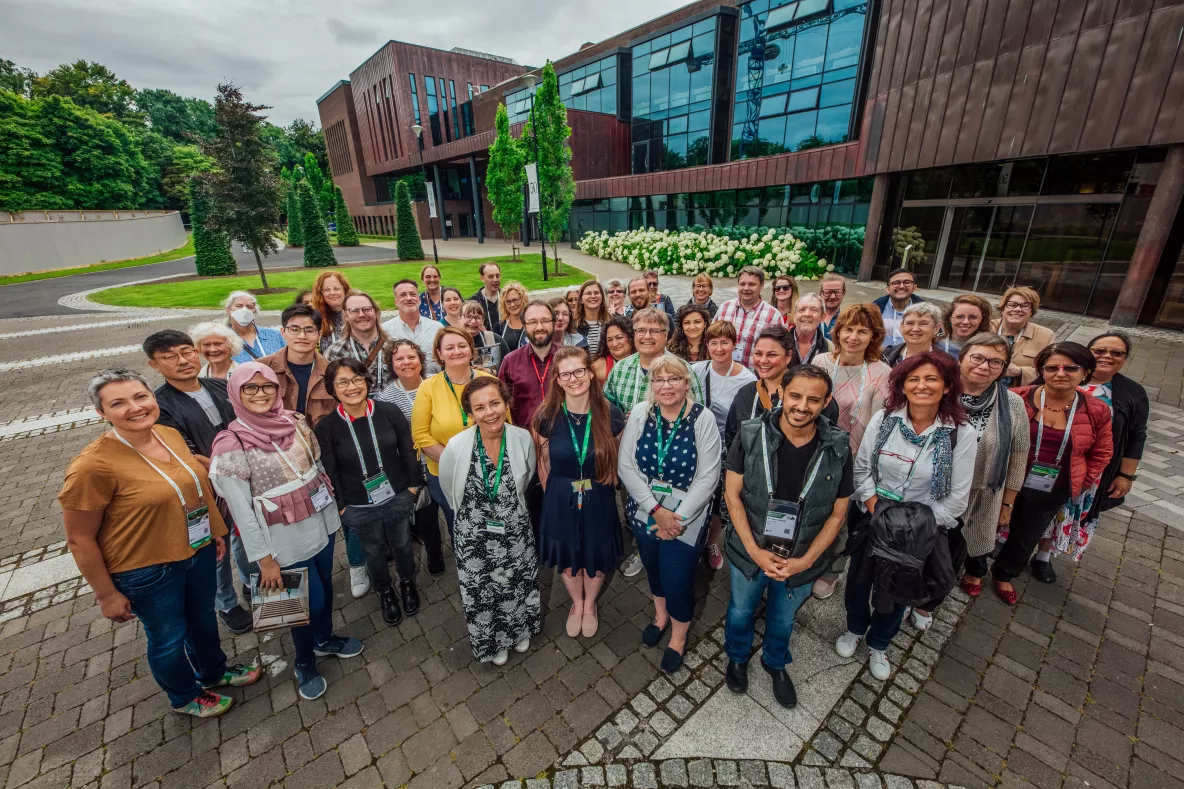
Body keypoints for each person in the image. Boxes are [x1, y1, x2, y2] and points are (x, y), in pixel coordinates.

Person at [62, 369, 262, 718]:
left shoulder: (167, 434)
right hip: (146, 568)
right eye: (118, 403)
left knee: (202, 620)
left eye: (140, 397)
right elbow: (79, 539)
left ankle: (214, 673)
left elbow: (195, 490)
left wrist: (215, 531)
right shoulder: (92, 466)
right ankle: (184, 696)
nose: (135, 408)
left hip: (196, 551)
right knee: (169, 637)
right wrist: (107, 594)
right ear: (101, 413)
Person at [208, 363, 362, 701]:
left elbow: (316, 463)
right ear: (237, 393)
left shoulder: (294, 421)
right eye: (251, 388)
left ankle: (325, 640)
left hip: (318, 522)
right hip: (281, 540)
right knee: (304, 602)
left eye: (268, 387)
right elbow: (242, 515)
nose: (261, 394)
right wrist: (264, 562)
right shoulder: (230, 446)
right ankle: (304, 661)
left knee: (324, 587)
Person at [723, 365, 854, 707]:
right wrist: (754, 551)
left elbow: (838, 513)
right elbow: (732, 495)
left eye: (814, 399)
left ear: (826, 403)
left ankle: (774, 661)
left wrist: (804, 562)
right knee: (740, 610)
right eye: (795, 395)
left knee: (783, 617)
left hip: (802, 557)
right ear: (782, 393)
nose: (802, 406)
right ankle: (737, 657)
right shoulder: (751, 434)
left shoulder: (838, 446)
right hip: (749, 550)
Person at [839, 352, 976, 679]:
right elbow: (862, 470)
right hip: (873, 519)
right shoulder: (885, 419)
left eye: (931, 379)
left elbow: (957, 498)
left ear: (946, 386)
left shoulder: (959, 433)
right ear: (902, 384)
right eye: (914, 379)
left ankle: (880, 643)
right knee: (858, 582)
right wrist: (879, 513)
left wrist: (913, 527)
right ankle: (855, 629)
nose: (922, 385)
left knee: (897, 592)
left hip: (919, 532)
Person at [145, 330, 255, 634]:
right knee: (214, 546)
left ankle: (251, 582)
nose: (182, 361)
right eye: (170, 357)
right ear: (154, 364)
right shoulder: (159, 406)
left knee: (247, 534)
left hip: (244, 478)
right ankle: (225, 601)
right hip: (204, 489)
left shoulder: (220, 386)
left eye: (186, 352)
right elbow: (183, 453)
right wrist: (230, 469)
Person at [618, 355, 721, 674]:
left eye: (673, 379)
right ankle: (660, 616)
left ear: (686, 382)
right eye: (658, 380)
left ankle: (678, 636)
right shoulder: (639, 413)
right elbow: (626, 466)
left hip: (685, 516)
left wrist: (674, 518)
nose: (666, 386)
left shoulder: (702, 419)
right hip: (646, 507)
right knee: (653, 568)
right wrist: (655, 510)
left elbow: (709, 477)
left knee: (677, 579)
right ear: (651, 385)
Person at [992, 343, 1112, 602]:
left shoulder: (1096, 410)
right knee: (986, 523)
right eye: (1052, 367)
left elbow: (1102, 452)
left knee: (1027, 534)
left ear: (1086, 372)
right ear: (1041, 370)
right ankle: (974, 570)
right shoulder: (1016, 397)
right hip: (1004, 477)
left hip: (1051, 485)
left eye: (1070, 368)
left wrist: (1077, 481)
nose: (1061, 373)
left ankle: (1004, 574)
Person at [439, 377, 539, 665]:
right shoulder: (457, 447)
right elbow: (449, 487)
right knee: (482, 590)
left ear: (506, 403)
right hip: (474, 534)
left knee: (519, 581)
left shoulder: (521, 438)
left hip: (515, 528)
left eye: (495, 403)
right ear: (470, 413)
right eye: (479, 407)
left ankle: (519, 631)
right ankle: (493, 642)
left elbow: (528, 474)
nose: (490, 412)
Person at [316, 359, 424, 626]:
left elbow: (408, 450)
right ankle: (385, 591)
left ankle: (407, 582)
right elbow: (331, 471)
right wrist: (342, 506)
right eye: (342, 382)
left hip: (398, 493)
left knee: (401, 543)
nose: (352, 387)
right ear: (332, 388)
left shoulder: (389, 411)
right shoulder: (326, 427)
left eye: (356, 379)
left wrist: (412, 487)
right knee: (374, 551)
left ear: (366, 381)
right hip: (359, 505)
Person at [534, 348, 626, 638]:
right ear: (558, 380)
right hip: (561, 495)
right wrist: (553, 494)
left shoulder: (610, 413)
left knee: (596, 555)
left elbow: (618, 457)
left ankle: (591, 604)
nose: (573, 378)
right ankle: (577, 604)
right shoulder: (546, 415)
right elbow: (543, 460)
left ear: (590, 373)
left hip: (598, 493)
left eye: (579, 371)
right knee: (569, 557)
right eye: (566, 374)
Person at [812, 305, 892, 599]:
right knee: (813, 511)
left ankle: (832, 569)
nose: (854, 337)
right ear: (838, 331)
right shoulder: (822, 361)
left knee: (840, 517)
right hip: (816, 451)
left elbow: (880, 424)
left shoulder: (881, 372)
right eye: (848, 329)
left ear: (873, 336)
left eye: (862, 331)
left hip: (853, 458)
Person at [952, 334, 1030, 602]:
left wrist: (1007, 504)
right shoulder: (940, 391)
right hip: (938, 489)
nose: (985, 366)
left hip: (982, 491)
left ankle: (933, 598)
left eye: (995, 361)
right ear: (961, 358)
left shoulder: (1013, 404)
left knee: (966, 545)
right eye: (978, 357)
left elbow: (1019, 454)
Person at [1066, 332, 1148, 560]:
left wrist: (1126, 476)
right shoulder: (1063, 373)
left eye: (1116, 353)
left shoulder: (1133, 393)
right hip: (1049, 459)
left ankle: (1044, 556)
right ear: (1087, 352)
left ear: (1125, 358)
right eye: (1100, 351)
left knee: (1071, 512)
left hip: (1093, 470)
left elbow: (1137, 436)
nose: (1107, 356)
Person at [412, 327, 497, 535]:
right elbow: (421, 434)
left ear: (471, 349)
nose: (456, 351)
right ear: (439, 355)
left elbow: (507, 425)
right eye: (449, 348)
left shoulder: (490, 382)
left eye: (462, 345)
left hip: (490, 471)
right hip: (446, 474)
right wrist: (458, 463)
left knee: (493, 523)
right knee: (461, 527)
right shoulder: (428, 387)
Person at [374, 339, 447, 576]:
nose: (406, 362)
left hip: (442, 462)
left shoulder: (437, 386)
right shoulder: (385, 399)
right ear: (391, 364)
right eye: (399, 358)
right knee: (427, 520)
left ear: (421, 360)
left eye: (411, 357)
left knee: (450, 510)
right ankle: (434, 554)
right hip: (413, 470)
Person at [692, 320, 756, 570]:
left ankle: (711, 541)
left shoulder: (747, 379)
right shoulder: (696, 370)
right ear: (707, 345)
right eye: (714, 342)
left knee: (718, 499)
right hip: (696, 446)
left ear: (734, 344)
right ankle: (692, 538)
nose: (719, 348)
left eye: (724, 342)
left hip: (724, 449)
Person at [605, 307, 705, 415]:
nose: (647, 336)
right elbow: (605, 405)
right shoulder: (620, 368)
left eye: (654, 331)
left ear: (666, 335)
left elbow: (698, 414)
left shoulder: (683, 370)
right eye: (641, 330)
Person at [259, 304, 335, 426]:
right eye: (294, 329)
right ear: (283, 332)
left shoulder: (332, 372)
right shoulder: (261, 369)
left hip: (321, 440)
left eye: (309, 330)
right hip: (275, 440)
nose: (302, 336)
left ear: (319, 335)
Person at [499, 301, 561, 428]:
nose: (539, 327)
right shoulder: (510, 362)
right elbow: (500, 402)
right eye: (532, 322)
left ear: (553, 323)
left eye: (545, 320)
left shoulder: (569, 358)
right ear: (524, 326)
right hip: (525, 438)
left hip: (564, 436)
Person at [325, 291, 391, 391]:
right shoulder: (335, 352)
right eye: (354, 310)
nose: (361, 315)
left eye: (366, 309)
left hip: (391, 406)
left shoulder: (394, 347)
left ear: (376, 312)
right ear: (345, 315)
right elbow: (330, 391)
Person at [717, 266, 780, 367]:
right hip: (724, 370)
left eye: (752, 284)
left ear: (762, 285)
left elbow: (778, 350)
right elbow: (711, 338)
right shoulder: (725, 308)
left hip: (756, 375)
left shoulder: (773, 315)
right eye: (742, 284)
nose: (746, 288)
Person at [992, 286, 1056, 386]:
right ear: (1002, 308)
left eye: (1025, 305)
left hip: (1021, 394)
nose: (1017, 309)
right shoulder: (985, 328)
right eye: (1012, 305)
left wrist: (1019, 371)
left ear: (1031, 311)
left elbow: (1051, 371)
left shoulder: (1046, 335)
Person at [382, 279, 444, 375]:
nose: (409, 298)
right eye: (403, 295)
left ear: (419, 299)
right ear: (396, 302)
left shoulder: (437, 328)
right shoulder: (385, 330)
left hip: (434, 384)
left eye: (413, 294)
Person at [225, 291, 286, 362]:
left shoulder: (275, 335)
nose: (244, 310)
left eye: (249, 307)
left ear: (254, 311)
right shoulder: (223, 339)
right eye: (239, 306)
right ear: (228, 310)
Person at [882, 302, 948, 367]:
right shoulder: (885, 355)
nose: (915, 329)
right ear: (901, 327)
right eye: (910, 323)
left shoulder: (946, 363)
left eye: (923, 323)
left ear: (936, 328)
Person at [873, 268, 924, 346]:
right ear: (888, 289)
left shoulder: (926, 311)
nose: (901, 286)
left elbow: (935, 337)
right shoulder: (874, 309)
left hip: (913, 357)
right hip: (880, 356)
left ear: (914, 287)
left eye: (907, 282)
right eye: (896, 283)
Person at [463, 300, 512, 374]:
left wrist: (490, 372)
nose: (473, 321)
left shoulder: (495, 339)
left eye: (477, 317)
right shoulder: (451, 342)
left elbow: (510, 368)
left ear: (482, 320)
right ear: (459, 318)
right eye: (468, 316)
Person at [788, 293, 834, 365]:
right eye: (802, 310)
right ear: (794, 316)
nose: (807, 314)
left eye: (813, 310)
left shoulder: (830, 348)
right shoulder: (779, 344)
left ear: (822, 317)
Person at [311, 272, 351, 353]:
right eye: (327, 289)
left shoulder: (357, 314)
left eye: (336, 288)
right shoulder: (315, 319)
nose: (332, 292)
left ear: (344, 289)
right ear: (321, 293)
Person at [591, 316, 635, 383]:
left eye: (619, 337)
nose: (614, 344)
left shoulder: (644, 360)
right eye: (609, 340)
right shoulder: (599, 366)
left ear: (632, 338)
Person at [577, 279, 610, 354]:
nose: (593, 296)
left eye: (596, 293)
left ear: (602, 298)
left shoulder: (611, 323)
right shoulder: (574, 326)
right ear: (581, 300)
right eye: (588, 293)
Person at [469, 262, 504, 334]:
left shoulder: (507, 297)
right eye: (491, 276)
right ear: (482, 278)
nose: (495, 280)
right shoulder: (473, 301)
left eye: (497, 276)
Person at [499, 282, 529, 349]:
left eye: (515, 300)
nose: (512, 305)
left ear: (523, 299)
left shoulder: (533, 322)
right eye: (508, 302)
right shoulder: (499, 326)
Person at [819, 273, 846, 339]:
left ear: (843, 294)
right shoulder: (811, 318)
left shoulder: (848, 320)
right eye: (828, 292)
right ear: (820, 294)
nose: (833, 296)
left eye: (837, 292)